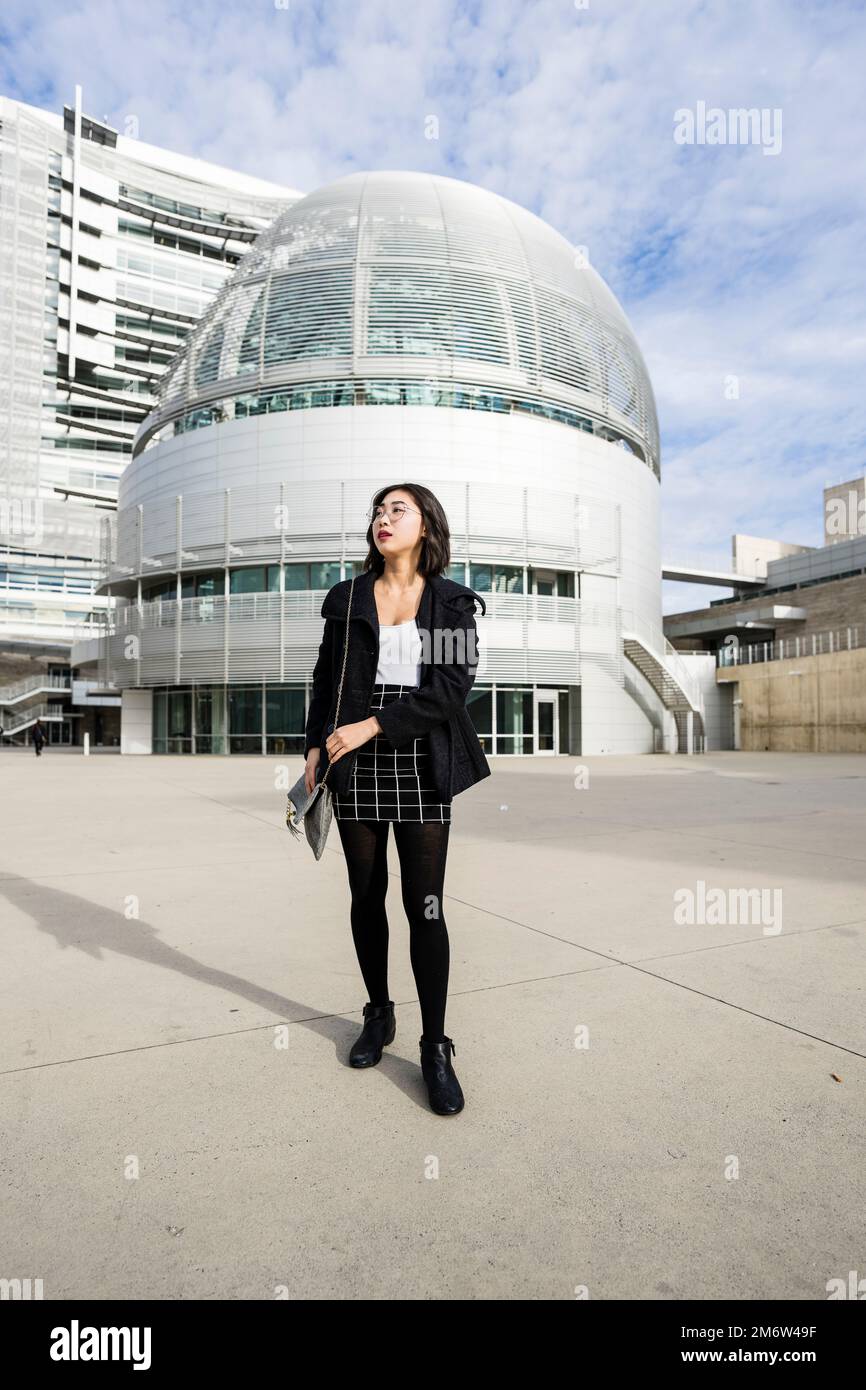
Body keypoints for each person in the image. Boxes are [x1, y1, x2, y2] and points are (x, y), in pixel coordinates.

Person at [303, 484, 491, 1115]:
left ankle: (436, 1047)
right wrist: (313, 746)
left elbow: (449, 692)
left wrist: (371, 726)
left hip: (421, 760)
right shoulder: (349, 597)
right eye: (378, 512)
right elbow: (326, 677)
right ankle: (378, 1014)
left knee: (425, 907)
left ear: (426, 526)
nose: (383, 519)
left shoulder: (450, 604)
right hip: (352, 762)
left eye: (397, 510)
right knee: (365, 896)